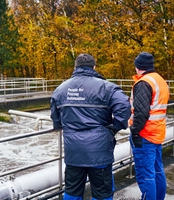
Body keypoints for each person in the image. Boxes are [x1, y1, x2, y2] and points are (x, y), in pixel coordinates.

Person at [50, 53, 131, 200]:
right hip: (99, 152)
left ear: (75, 67)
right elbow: (125, 106)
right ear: (94, 67)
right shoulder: (106, 87)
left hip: (73, 151)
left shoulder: (61, 89)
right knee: (102, 193)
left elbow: (55, 119)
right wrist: (114, 127)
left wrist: (62, 125)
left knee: (72, 192)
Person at [129, 52, 170, 200]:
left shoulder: (143, 82)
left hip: (144, 135)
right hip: (157, 133)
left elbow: (141, 113)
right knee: (157, 171)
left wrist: (134, 132)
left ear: (138, 67)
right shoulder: (160, 80)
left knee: (145, 175)